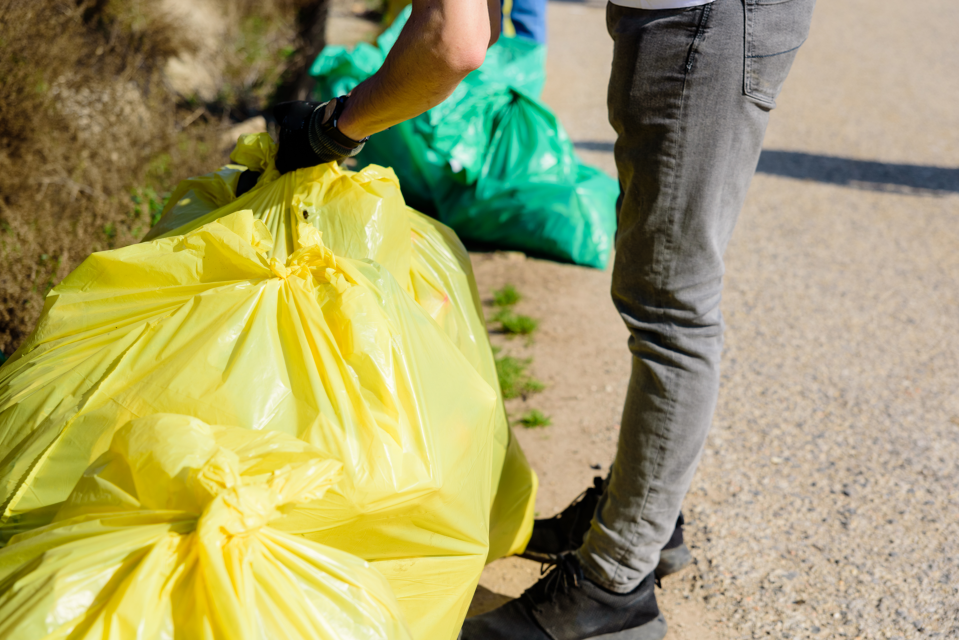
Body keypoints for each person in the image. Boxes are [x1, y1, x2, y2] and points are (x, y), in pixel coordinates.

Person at [274, 0, 816, 636]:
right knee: (657, 279)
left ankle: (616, 587)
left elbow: (456, 43)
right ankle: (642, 517)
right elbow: (484, 27)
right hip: (692, 18)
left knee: (670, 303)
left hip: (703, 22)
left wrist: (333, 126)